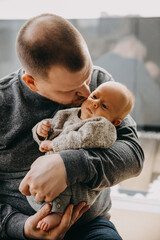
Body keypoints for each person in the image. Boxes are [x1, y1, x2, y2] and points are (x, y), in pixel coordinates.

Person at [0, 13, 144, 240]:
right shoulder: (3, 104)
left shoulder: (102, 85)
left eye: (87, 78)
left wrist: (69, 165)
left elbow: (133, 156)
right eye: (72, 89)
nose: (88, 93)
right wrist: (21, 227)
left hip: (90, 226)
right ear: (31, 82)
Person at [27, 81, 134, 231]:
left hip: (78, 188)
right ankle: (46, 208)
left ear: (115, 122)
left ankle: (58, 213)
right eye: (94, 96)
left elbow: (81, 139)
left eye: (104, 106)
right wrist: (41, 131)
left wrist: (54, 145)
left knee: (67, 187)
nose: (95, 103)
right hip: (48, 178)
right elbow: (54, 129)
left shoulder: (103, 127)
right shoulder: (68, 114)